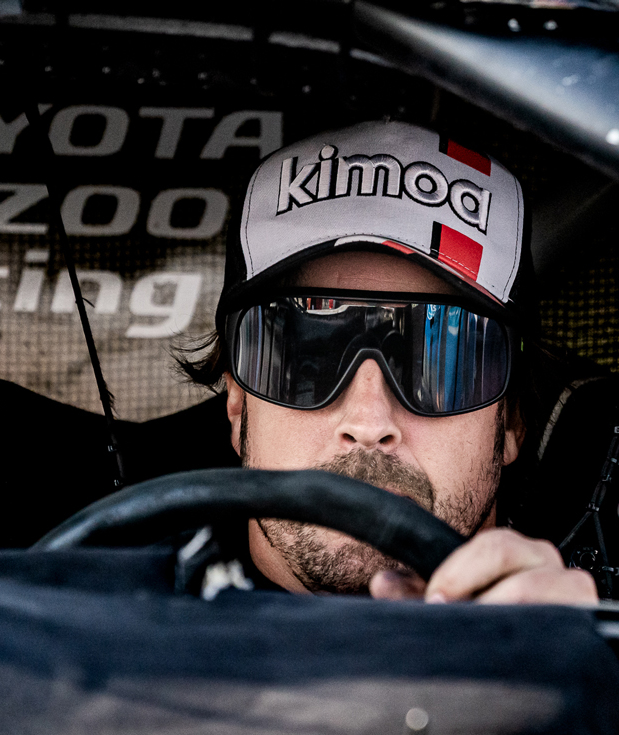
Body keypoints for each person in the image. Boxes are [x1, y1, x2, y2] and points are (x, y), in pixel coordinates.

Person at [182, 120, 597, 606]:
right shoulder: (123, 622)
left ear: (512, 422)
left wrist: (569, 648)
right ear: (237, 405)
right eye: (309, 358)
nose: (369, 425)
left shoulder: (603, 642)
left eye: (438, 365)